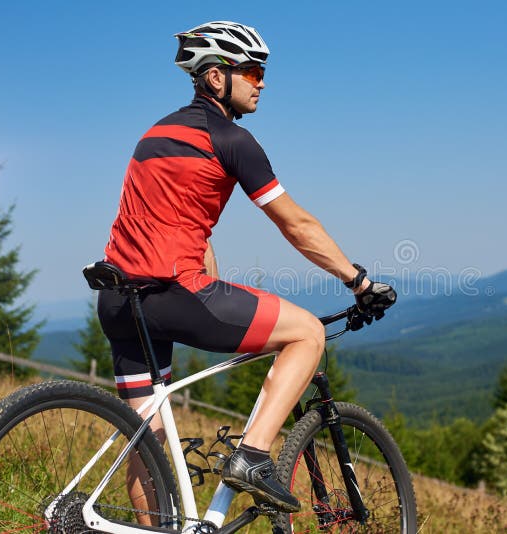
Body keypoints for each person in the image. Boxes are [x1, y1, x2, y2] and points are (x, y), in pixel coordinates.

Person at [96, 20, 396, 520]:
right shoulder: (231, 139)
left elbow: (179, 223)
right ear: (217, 77)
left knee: (144, 443)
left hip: (116, 298)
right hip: (172, 294)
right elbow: (296, 225)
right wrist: (359, 281)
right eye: (253, 70)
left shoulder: (154, 136)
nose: (262, 81)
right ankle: (252, 457)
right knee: (305, 334)